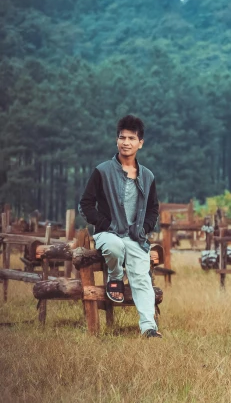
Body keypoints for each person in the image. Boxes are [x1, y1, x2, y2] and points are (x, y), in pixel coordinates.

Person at [78, 115, 162, 338]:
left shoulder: (147, 176)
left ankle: (148, 328)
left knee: (142, 277)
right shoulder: (102, 171)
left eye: (131, 138)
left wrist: (144, 228)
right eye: (122, 137)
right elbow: (85, 204)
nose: (126, 142)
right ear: (117, 140)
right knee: (115, 246)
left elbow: (154, 208)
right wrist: (103, 223)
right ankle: (114, 277)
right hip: (108, 233)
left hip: (135, 236)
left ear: (140, 143)